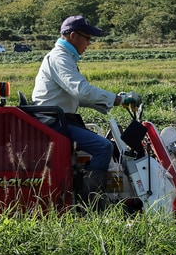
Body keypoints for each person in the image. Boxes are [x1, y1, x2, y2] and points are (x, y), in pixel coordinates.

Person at [32, 15, 140, 207]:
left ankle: (96, 194)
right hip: (54, 123)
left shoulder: (64, 58)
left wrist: (114, 101)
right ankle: (92, 202)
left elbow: (77, 97)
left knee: (108, 146)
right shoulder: (60, 58)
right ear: (73, 36)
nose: (89, 43)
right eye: (87, 38)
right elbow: (81, 90)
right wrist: (118, 99)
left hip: (60, 119)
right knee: (103, 147)